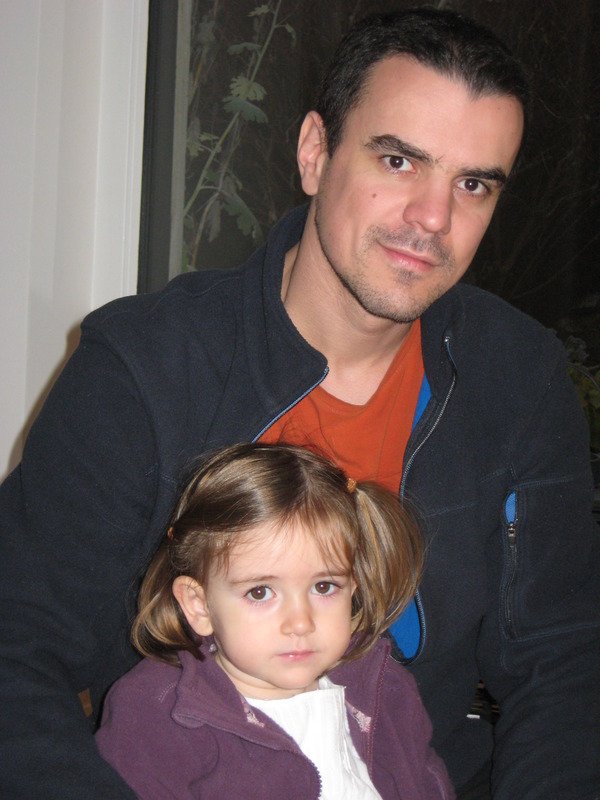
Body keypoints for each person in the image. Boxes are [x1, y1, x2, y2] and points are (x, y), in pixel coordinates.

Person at [0, 6, 598, 800]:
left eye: (473, 184)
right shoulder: (147, 368)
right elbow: (16, 645)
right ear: (316, 152)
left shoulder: (515, 377)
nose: (433, 218)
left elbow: (564, 663)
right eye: (398, 160)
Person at [95, 442, 454, 799]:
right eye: (260, 592)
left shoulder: (386, 687)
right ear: (199, 605)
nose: (300, 623)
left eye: (324, 586)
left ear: (353, 588)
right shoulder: (153, 715)